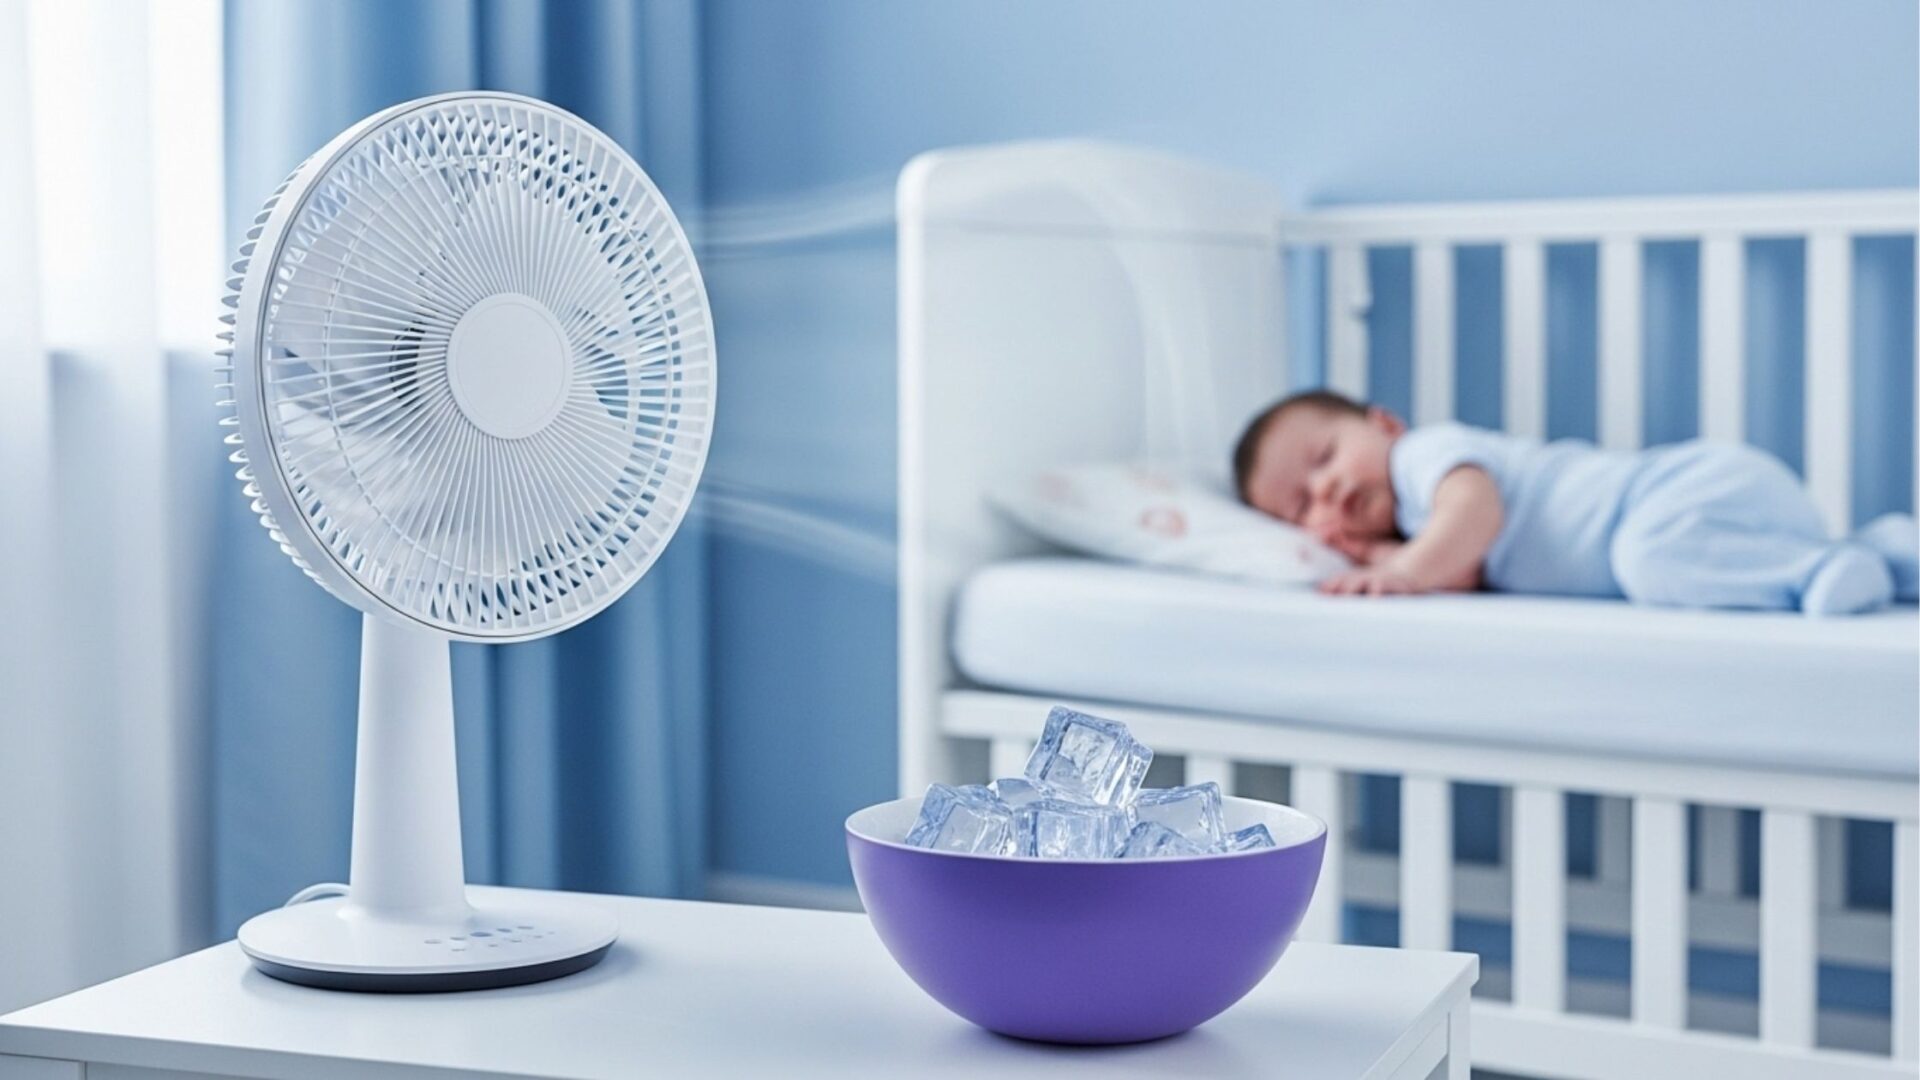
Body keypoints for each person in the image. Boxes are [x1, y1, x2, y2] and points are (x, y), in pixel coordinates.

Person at [1232, 389, 1917, 615]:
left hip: (1687, 491)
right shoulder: (1419, 524)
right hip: (1708, 513)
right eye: (1299, 509)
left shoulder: (1427, 459)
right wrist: (1383, 556)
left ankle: (1816, 573)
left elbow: (1475, 515)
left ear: (1384, 424)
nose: (1324, 491)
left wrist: (1403, 571)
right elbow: (1465, 570)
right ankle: (1882, 548)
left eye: (1324, 458)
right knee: (1651, 562)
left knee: (1648, 561)